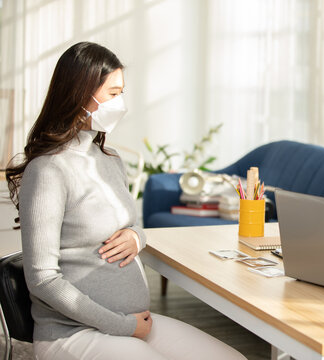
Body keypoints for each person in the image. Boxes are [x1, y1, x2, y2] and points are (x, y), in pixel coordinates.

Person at [5, 42, 246, 360]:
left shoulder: (110, 158)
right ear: (80, 94)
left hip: (134, 323)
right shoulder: (49, 169)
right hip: (73, 334)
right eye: (113, 93)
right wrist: (121, 326)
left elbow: (128, 222)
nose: (121, 103)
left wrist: (136, 235)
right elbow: (43, 279)